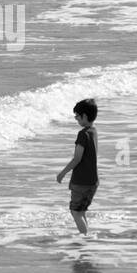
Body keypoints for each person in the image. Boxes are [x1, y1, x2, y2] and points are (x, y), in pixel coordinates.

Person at [56, 98, 98, 234]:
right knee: (81, 212)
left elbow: (77, 158)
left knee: (75, 212)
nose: (76, 120)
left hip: (81, 181)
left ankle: (85, 240)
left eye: (77, 117)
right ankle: (86, 237)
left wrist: (62, 173)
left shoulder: (83, 134)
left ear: (84, 116)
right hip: (92, 181)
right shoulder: (93, 131)